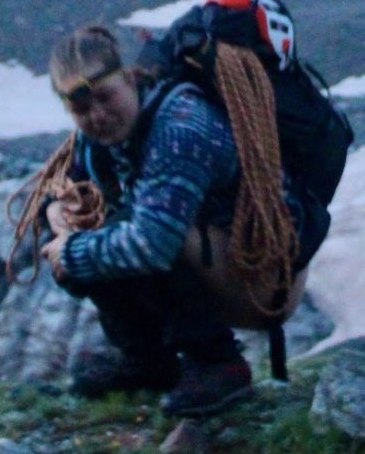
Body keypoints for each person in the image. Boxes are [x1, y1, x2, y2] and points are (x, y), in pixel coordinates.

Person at [22, 24, 327, 420]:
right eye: (81, 109)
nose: (97, 115)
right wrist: (57, 214)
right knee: (93, 226)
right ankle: (148, 361)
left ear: (129, 78)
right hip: (218, 257)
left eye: (106, 97)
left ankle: (219, 363)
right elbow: (64, 188)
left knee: (138, 231)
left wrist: (71, 253)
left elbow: (154, 244)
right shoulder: (99, 137)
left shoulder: (181, 126)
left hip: (265, 277)